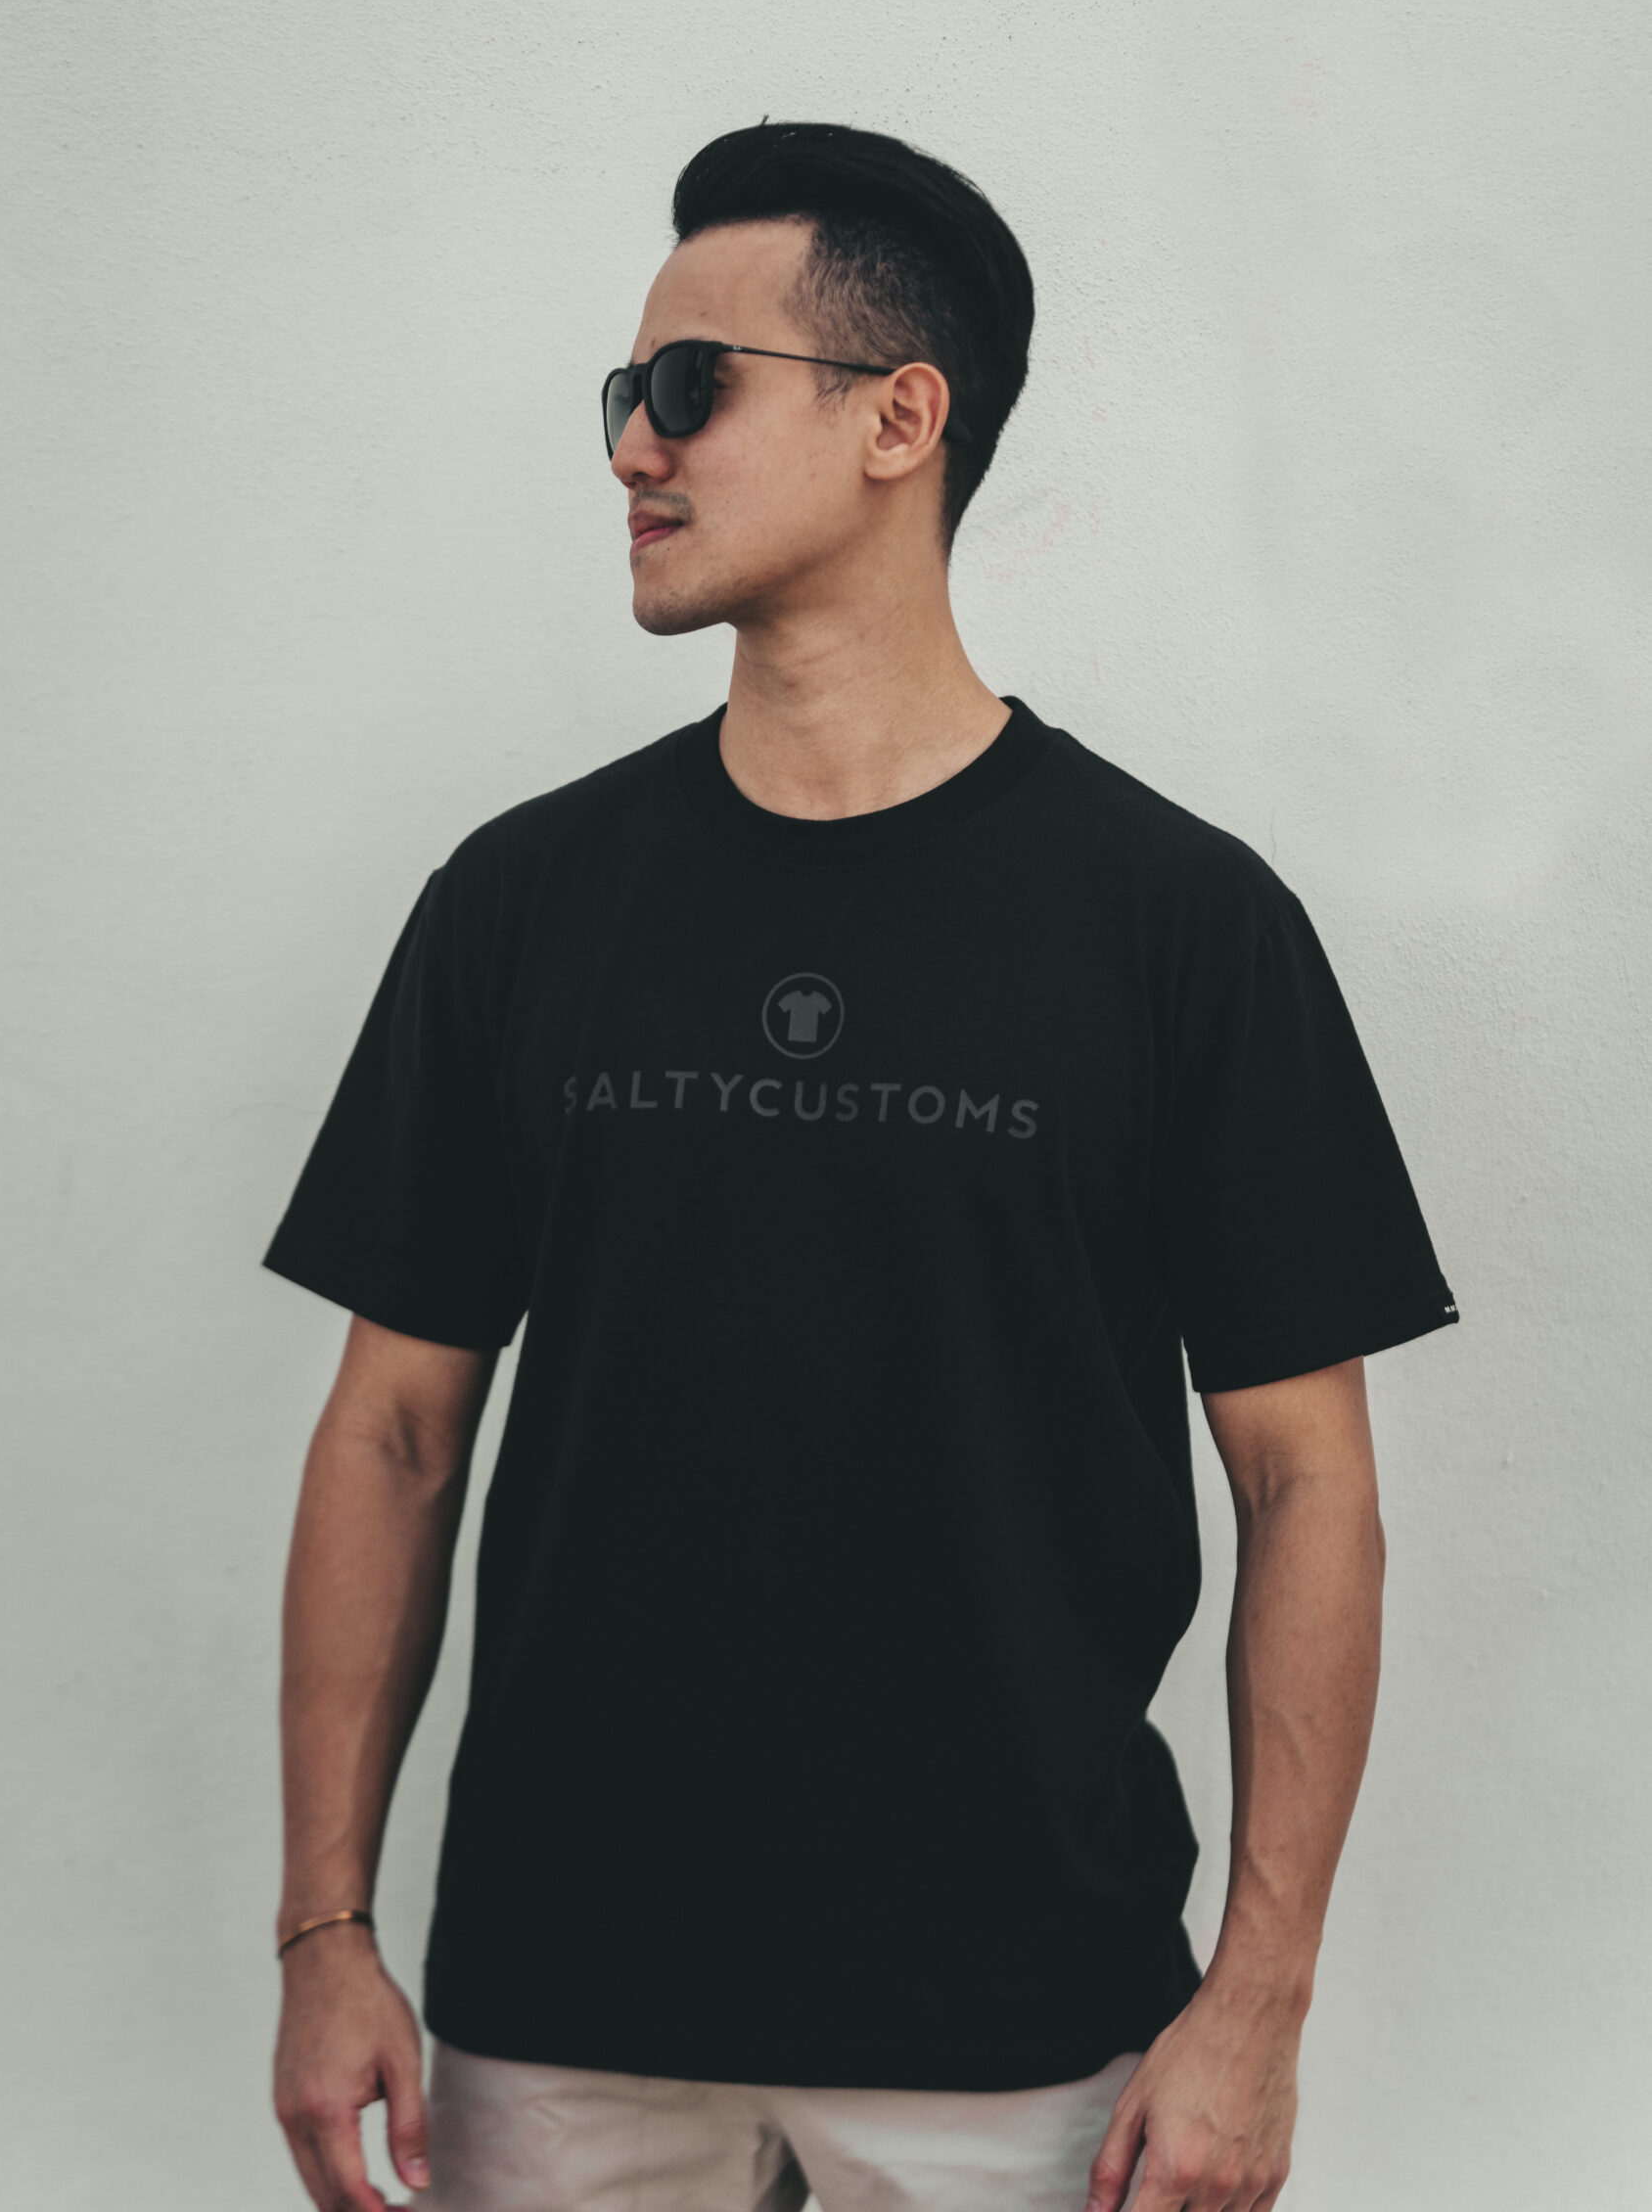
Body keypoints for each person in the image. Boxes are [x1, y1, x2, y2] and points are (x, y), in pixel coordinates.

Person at [265, 120, 1458, 2212]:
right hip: (558, 2018)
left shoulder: (1180, 925)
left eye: (689, 385)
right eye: (624, 390)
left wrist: (1256, 2004)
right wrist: (324, 1930)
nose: (631, 446)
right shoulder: (524, 903)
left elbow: (1307, 1485)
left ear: (900, 419)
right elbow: (390, 1432)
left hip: (1027, 2030)